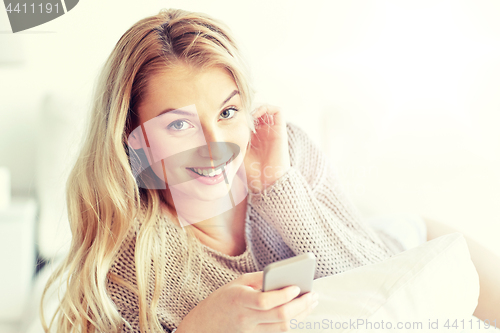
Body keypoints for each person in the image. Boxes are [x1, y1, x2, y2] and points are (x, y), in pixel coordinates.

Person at [40, 7, 500, 333]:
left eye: (227, 113)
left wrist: (279, 187)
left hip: (403, 242)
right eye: (179, 124)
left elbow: (386, 291)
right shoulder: (128, 269)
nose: (216, 147)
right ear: (131, 141)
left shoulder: (285, 150)